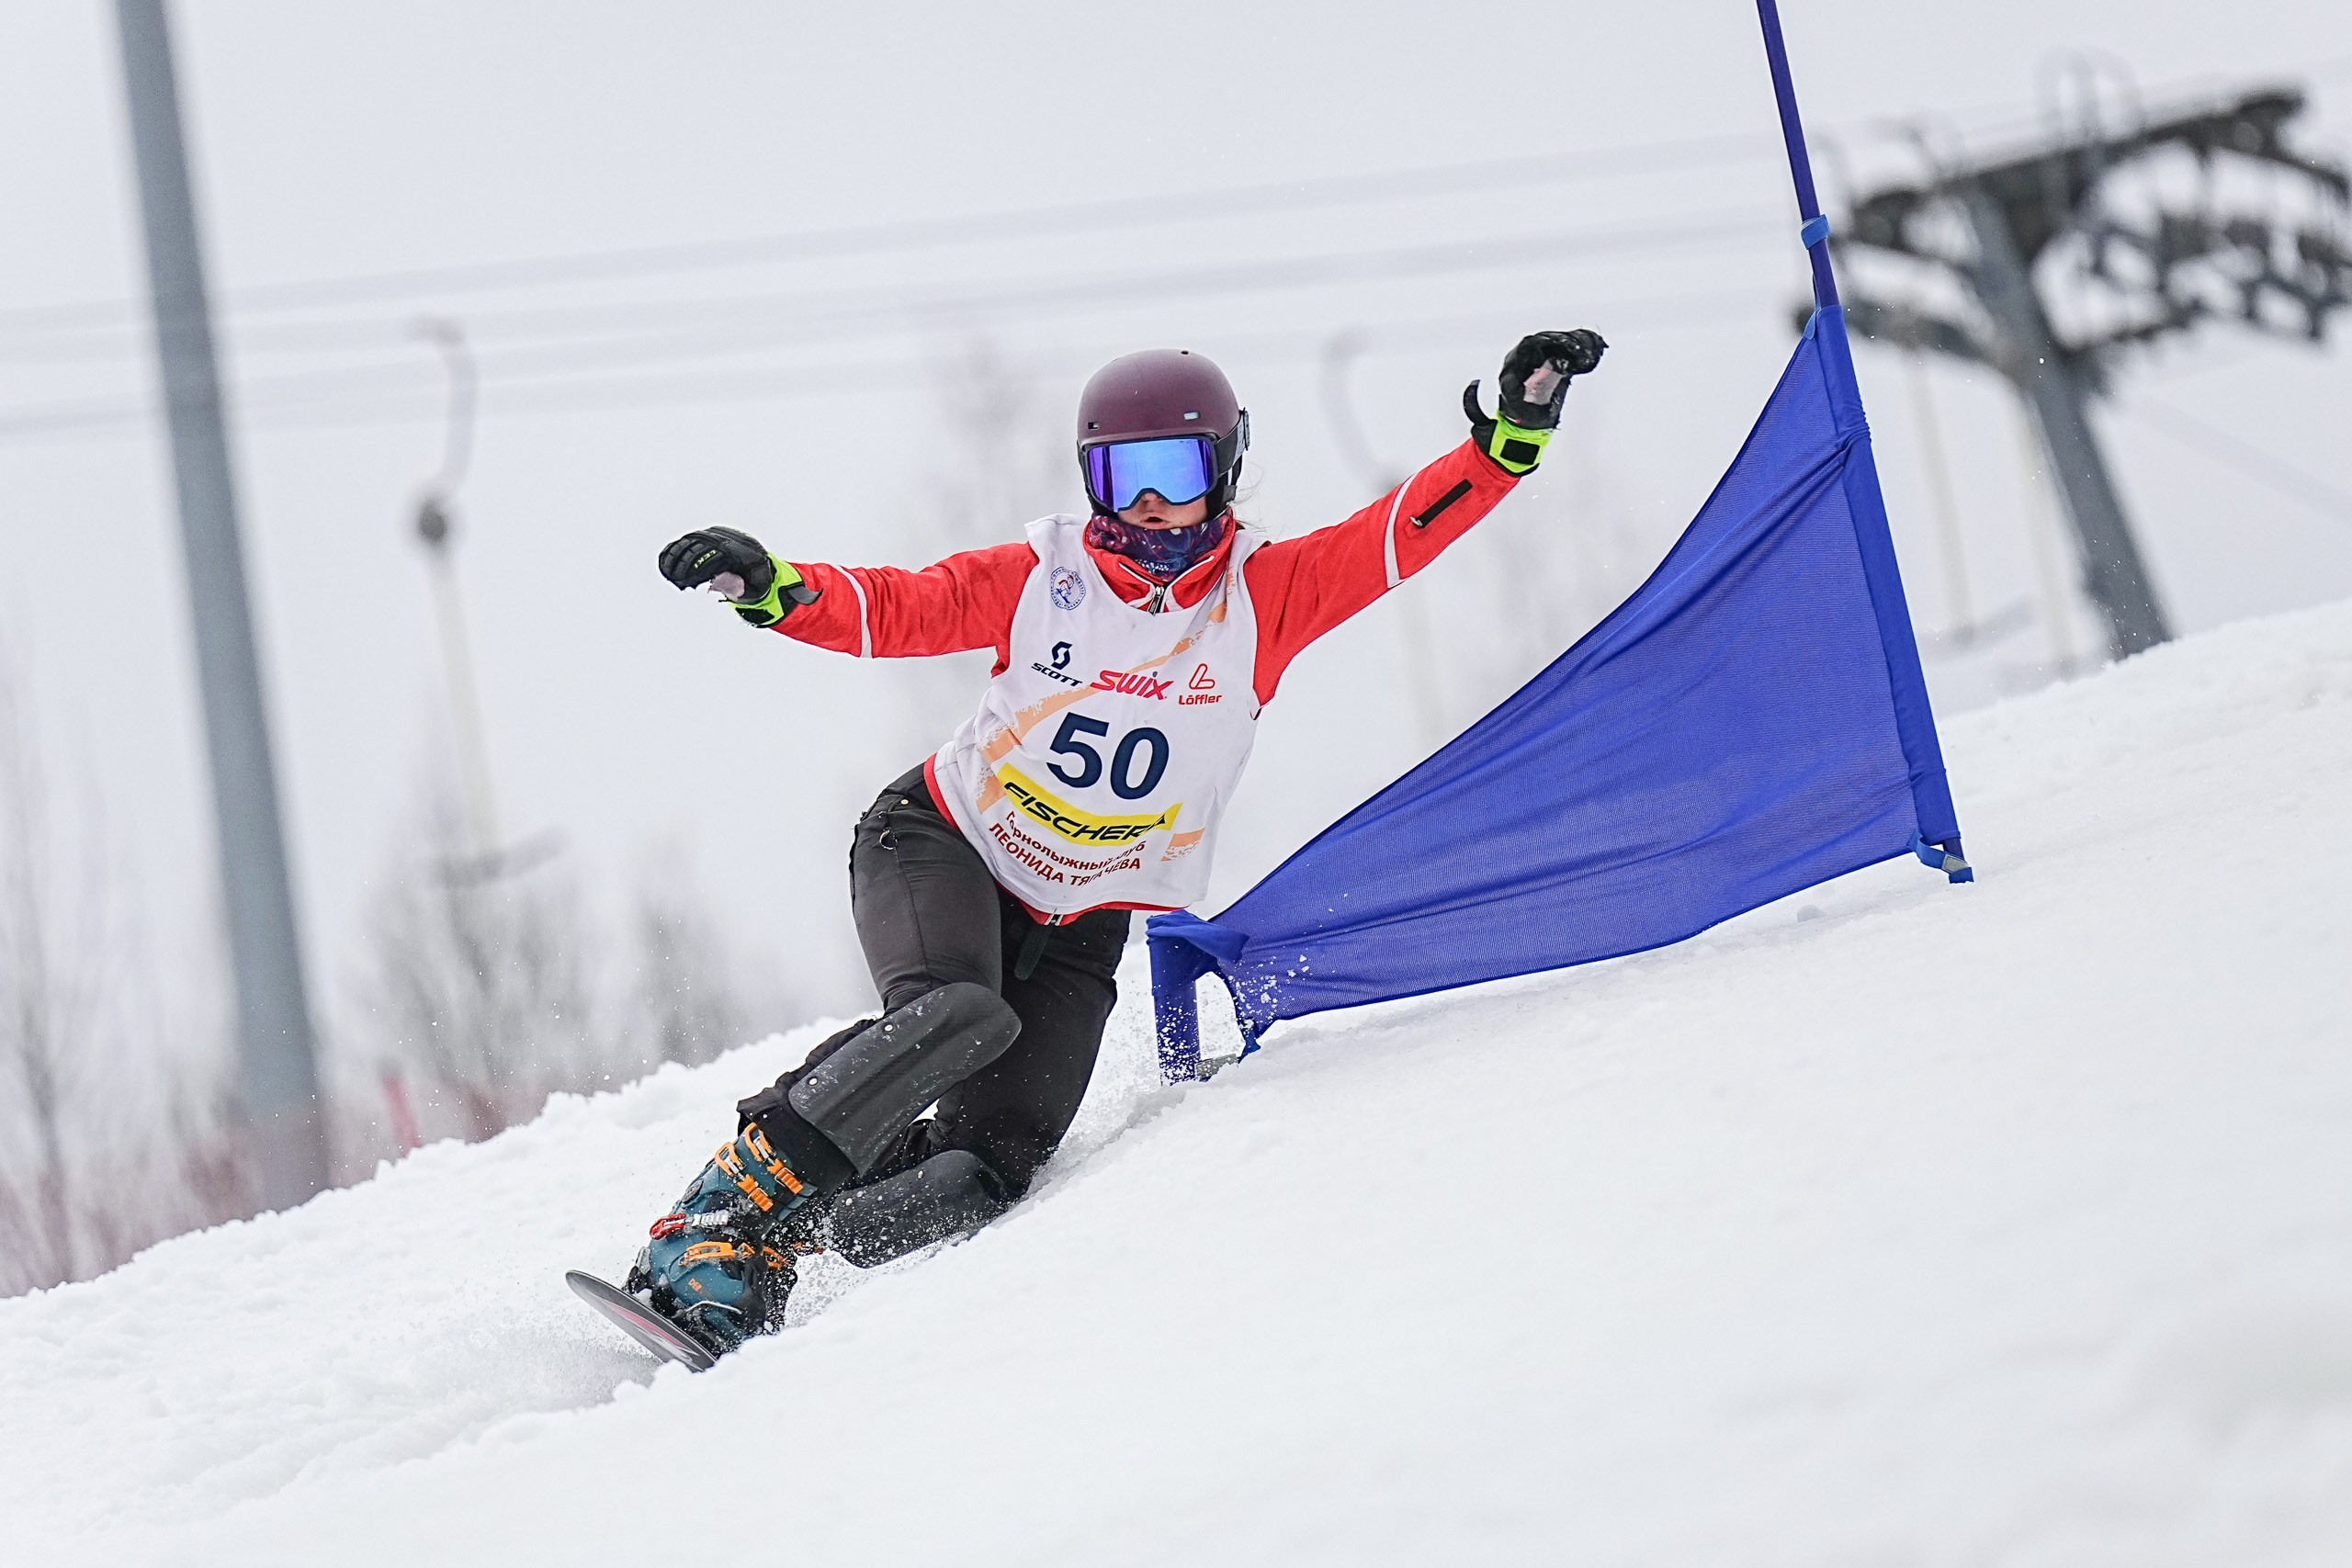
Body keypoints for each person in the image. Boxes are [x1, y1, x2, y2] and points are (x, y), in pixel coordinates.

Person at [631, 330, 1604, 1357]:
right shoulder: (1041, 577)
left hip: (1086, 917)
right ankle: (713, 1223)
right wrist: (776, 588)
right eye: (1121, 475)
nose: (1148, 504)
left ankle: (780, 1246)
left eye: (1173, 473)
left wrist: (1508, 441)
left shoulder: (1262, 601)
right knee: (956, 1014)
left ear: (1222, 468)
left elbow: (1395, 538)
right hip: (944, 843)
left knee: (983, 1172)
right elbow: (897, 606)